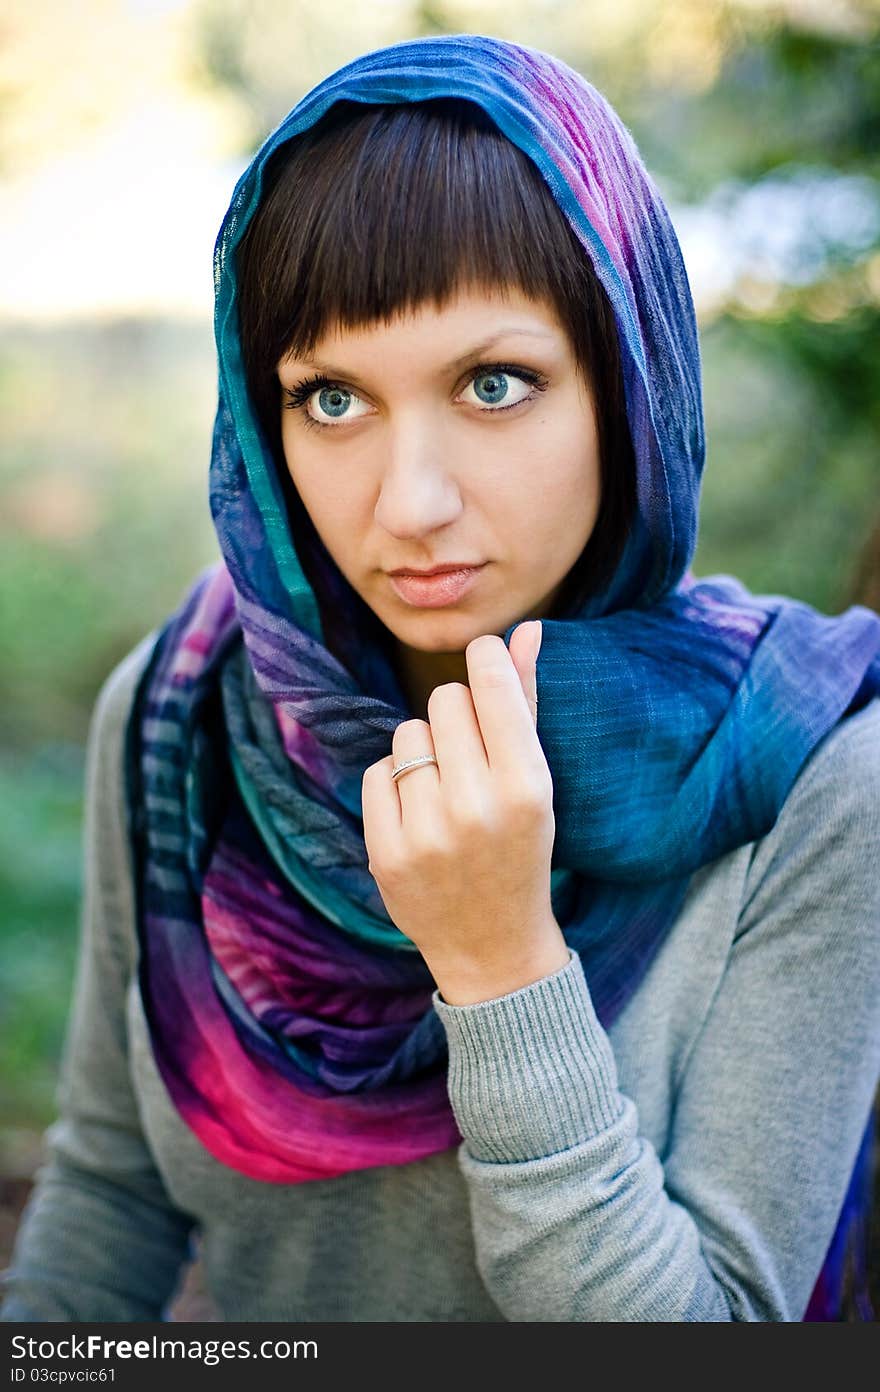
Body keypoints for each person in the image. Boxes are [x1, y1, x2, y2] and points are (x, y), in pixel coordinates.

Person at [3, 33, 880, 1324]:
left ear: (630, 384)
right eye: (333, 400)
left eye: (494, 382)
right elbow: (112, 1195)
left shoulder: (808, 776)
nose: (409, 504)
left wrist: (501, 962)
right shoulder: (190, 716)